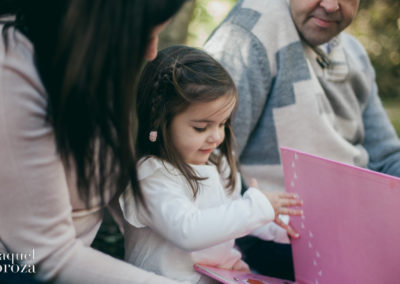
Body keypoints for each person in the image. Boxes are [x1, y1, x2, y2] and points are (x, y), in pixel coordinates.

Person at [204, 0, 400, 280]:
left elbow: (387, 157)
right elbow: (209, 157)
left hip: (356, 225)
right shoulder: (251, 32)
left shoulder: (354, 53)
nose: (332, 5)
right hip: (273, 235)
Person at [0, 0, 190, 283]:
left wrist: (191, 252)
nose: (152, 53)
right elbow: (47, 257)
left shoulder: (91, 68)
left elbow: (121, 192)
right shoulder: (12, 73)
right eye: (144, 35)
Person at [119, 45, 303, 283]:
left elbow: (229, 215)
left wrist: (271, 223)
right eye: (201, 127)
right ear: (160, 120)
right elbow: (189, 231)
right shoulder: (151, 177)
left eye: (222, 124)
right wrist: (255, 208)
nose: (216, 136)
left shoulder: (217, 164)